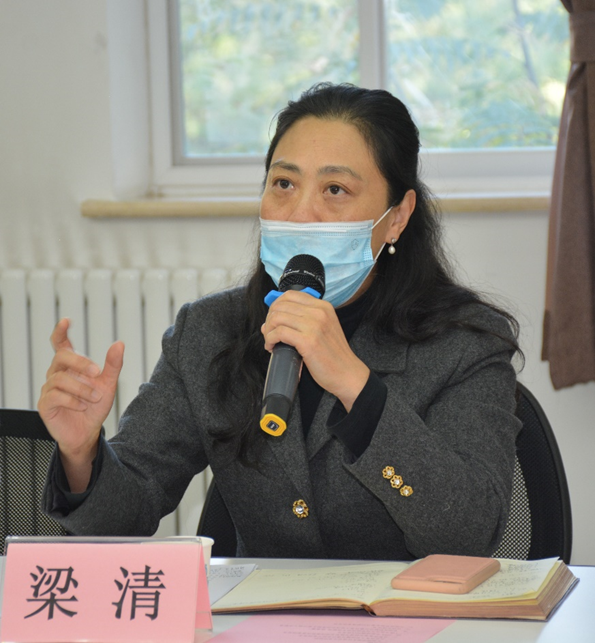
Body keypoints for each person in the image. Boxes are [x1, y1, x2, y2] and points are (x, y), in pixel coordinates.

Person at [39, 83, 522, 561]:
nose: (301, 214)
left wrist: (356, 387)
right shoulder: (209, 330)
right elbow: (125, 517)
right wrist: (82, 455)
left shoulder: (466, 343)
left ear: (397, 217)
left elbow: (470, 536)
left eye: (335, 189)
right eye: (284, 184)